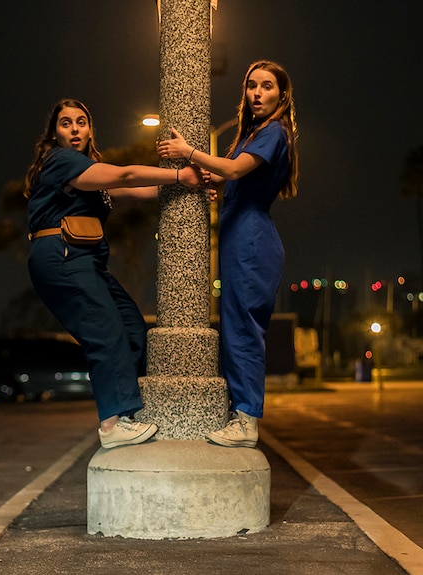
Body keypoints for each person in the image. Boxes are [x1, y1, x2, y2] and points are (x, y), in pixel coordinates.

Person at [25, 98, 204, 449]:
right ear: (54, 133)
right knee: (104, 331)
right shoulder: (61, 161)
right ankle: (111, 424)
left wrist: (191, 185)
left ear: (90, 129)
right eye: (65, 123)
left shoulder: (90, 167)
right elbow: (125, 174)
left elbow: (137, 189)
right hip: (61, 254)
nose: (75, 129)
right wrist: (180, 173)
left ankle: (128, 411)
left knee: (134, 329)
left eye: (81, 122)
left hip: (87, 260)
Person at [157, 60, 299, 448]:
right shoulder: (254, 133)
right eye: (251, 85)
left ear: (281, 95)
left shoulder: (274, 132)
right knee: (235, 329)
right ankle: (241, 411)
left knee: (243, 331)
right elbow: (230, 175)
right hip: (241, 235)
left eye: (266, 86)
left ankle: (247, 419)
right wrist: (209, 176)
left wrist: (190, 152)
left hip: (252, 240)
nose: (256, 93)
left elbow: (235, 170)